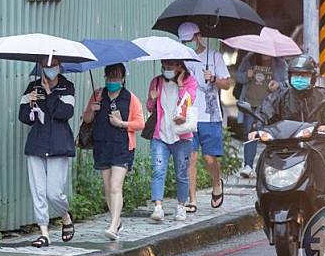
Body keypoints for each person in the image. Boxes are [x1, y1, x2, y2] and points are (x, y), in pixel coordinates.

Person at [249, 55, 325, 195]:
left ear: (312, 77)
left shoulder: (324, 96)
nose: (299, 78)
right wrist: (258, 128)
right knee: (264, 157)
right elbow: (265, 111)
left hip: (315, 142)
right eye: (296, 75)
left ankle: (323, 195)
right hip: (283, 144)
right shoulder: (281, 96)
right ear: (290, 76)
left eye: (304, 75)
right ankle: (263, 194)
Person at [82, 63, 145, 240]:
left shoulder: (130, 98)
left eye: (116, 77)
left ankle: (113, 226)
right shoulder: (98, 95)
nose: (113, 81)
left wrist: (122, 124)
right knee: (108, 187)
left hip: (122, 147)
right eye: (110, 77)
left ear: (123, 79)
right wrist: (91, 110)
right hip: (102, 145)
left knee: (116, 186)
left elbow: (140, 123)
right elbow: (86, 119)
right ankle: (116, 221)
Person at [18, 57, 75, 248]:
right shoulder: (32, 87)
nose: (49, 69)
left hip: (59, 145)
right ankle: (44, 232)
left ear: (59, 67)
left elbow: (65, 113)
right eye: (45, 66)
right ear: (40, 67)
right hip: (37, 145)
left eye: (52, 66)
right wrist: (31, 105)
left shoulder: (67, 87)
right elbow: (24, 117)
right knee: (38, 192)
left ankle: (65, 216)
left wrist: (49, 93)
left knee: (54, 193)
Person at [179, 22, 231, 212]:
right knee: (190, 158)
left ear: (198, 37)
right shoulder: (182, 58)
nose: (187, 44)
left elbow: (226, 84)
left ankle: (217, 183)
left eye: (189, 40)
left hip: (210, 115)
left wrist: (213, 79)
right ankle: (192, 200)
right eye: (183, 41)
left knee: (209, 158)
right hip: (189, 115)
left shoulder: (214, 56)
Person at [146, 59, 198, 222]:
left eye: (170, 66)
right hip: (160, 134)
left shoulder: (190, 82)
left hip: (181, 136)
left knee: (182, 173)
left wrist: (181, 85)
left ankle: (181, 206)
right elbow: (149, 107)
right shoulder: (156, 81)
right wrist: (152, 99)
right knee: (158, 171)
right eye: (164, 66)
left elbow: (188, 103)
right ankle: (158, 207)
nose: (167, 69)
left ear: (179, 67)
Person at [235, 52, 287, 177]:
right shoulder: (249, 59)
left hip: (270, 107)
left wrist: (278, 85)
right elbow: (238, 77)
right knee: (250, 134)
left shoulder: (281, 63)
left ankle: (272, 166)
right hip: (250, 105)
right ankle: (248, 166)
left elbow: (288, 83)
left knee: (271, 135)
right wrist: (246, 75)